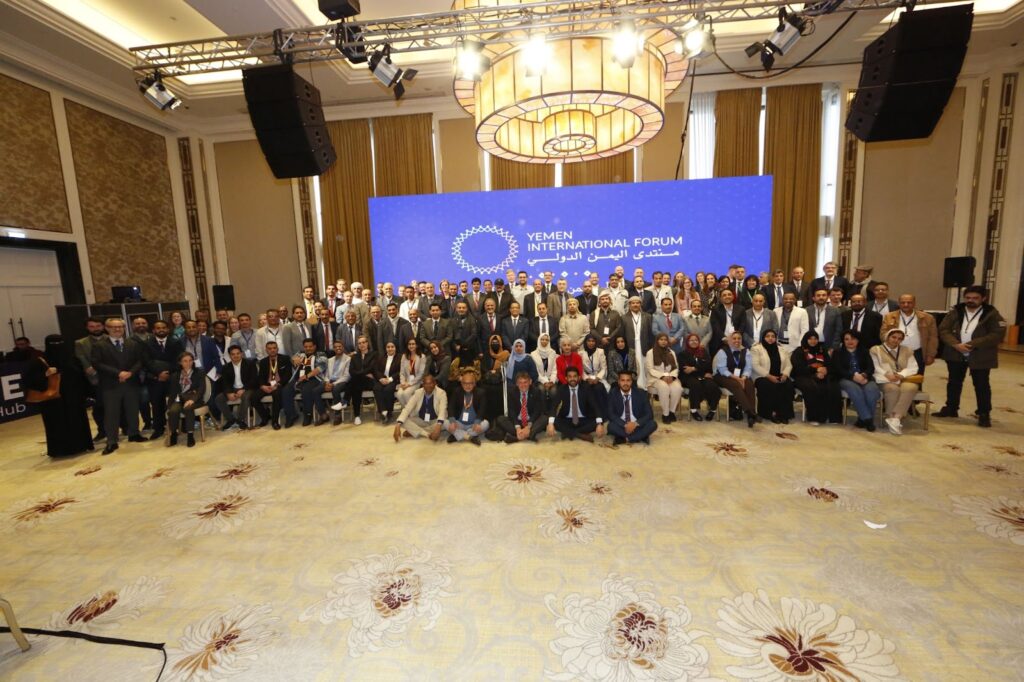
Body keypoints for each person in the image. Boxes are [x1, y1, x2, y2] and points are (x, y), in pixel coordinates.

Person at [936, 285, 1006, 428]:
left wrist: (973, 344)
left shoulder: (991, 313)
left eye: (975, 298)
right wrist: (956, 344)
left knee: (981, 385)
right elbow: (943, 329)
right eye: (968, 298)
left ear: (983, 298)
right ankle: (951, 408)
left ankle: (984, 413)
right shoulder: (956, 311)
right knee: (954, 382)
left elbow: (997, 334)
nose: (970, 300)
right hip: (956, 353)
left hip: (981, 354)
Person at [24, 335, 93, 456]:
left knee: (76, 421)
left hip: (74, 399)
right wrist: (45, 375)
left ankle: (81, 446)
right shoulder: (40, 362)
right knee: (56, 425)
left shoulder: (72, 359)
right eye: (53, 344)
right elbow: (29, 381)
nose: (57, 347)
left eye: (59, 343)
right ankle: (60, 450)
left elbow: (81, 377)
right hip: (53, 402)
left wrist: (87, 394)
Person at [91, 318, 147, 455]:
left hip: (131, 382)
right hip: (111, 385)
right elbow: (97, 364)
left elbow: (140, 361)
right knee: (111, 414)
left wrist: (130, 373)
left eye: (120, 327)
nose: (117, 329)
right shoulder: (99, 345)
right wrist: (118, 373)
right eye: (113, 327)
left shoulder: (133, 344)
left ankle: (134, 433)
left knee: (133, 410)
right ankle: (112, 441)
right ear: (107, 328)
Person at [870, 329, 921, 435]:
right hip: (885, 378)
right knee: (892, 389)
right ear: (887, 337)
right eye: (893, 337)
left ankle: (895, 418)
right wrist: (887, 374)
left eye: (899, 339)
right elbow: (875, 366)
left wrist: (901, 375)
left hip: (903, 378)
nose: (896, 340)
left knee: (911, 388)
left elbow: (913, 367)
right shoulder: (876, 349)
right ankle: (892, 417)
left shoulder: (907, 350)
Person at [830, 330, 880, 431]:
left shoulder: (864, 351)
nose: (850, 341)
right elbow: (838, 369)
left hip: (864, 378)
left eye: (853, 339)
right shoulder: (837, 352)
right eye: (846, 339)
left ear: (858, 340)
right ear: (843, 341)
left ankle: (862, 419)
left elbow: (871, 367)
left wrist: (864, 375)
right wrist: (853, 376)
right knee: (854, 388)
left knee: (872, 389)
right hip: (845, 379)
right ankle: (868, 419)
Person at [790, 331, 843, 425]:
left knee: (833, 385)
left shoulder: (822, 350)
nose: (813, 341)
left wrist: (825, 370)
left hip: (822, 375)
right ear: (806, 339)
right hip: (803, 376)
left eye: (815, 339)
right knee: (811, 387)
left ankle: (833, 417)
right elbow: (798, 368)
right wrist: (815, 371)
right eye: (810, 339)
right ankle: (814, 417)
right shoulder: (799, 351)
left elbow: (829, 364)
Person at [880, 294, 937, 378]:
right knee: (895, 378)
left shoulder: (927, 317)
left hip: (917, 353)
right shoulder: (889, 316)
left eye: (909, 302)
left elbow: (933, 337)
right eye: (903, 302)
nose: (906, 305)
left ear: (914, 303)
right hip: (895, 352)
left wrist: (930, 354)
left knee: (916, 378)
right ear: (899, 303)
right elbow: (883, 334)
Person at [547, 366, 605, 442]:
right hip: (567, 419)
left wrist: (599, 424)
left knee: (597, 422)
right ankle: (580, 435)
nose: (572, 379)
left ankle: (569, 433)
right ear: (566, 378)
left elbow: (595, 406)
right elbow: (554, 406)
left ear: (579, 377)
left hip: (583, 418)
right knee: (554, 422)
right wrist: (550, 423)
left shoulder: (586, 388)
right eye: (570, 377)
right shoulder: (561, 389)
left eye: (575, 376)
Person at [713, 331, 758, 427]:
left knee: (749, 384)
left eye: (739, 338)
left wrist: (744, 377)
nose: (737, 340)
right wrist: (737, 379)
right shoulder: (722, 351)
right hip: (723, 376)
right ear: (729, 340)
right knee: (736, 384)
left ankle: (751, 415)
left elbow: (748, 368)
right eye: (734, 338)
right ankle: (750, 412)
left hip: (741, 375)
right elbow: (722, 369)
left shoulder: (746, 351)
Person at [750, 329, 795, 424]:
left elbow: (789, 365)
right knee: (769, 386)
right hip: (762, 376)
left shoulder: (782, 349)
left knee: (788, 385)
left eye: (773, 336)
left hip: (780, 375)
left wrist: (785, 374)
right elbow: (755, 365)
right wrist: (769, 376)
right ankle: (771, 413)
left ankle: (784, 414)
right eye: (767, 336)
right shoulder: (756, 349)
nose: (770, 338)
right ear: (763, 337)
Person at [489, 371, 547, 443]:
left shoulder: (536, 391)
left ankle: (519, 436)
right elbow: (511, 411)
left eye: (525, 382)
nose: (523, 385)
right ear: (516, 383)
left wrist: (528, 426)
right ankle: (528, 435)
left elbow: (537, 411)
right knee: (500, 419)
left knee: (544, 418)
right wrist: (518, 427)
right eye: (520, 383)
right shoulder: (512, 392)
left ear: (530, 382)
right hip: (517, 421)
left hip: (531, 421)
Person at [282, 338, 327, 427]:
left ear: (314, 346)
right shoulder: (300, 353)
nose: (308, 348)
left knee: (306, 390)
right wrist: (294, 360)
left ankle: (308, 415)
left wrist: (307, 376)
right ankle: (291, 415)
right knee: (286, 390)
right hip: (298, 379)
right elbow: (292, 359)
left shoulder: (321, 354)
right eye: (306, 347)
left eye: (310, 346)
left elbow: (321, 368)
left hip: (314, 378)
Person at [678, 332, 720, 421]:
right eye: (691, 340)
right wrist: (700, 370)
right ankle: (694, 410)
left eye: (696, 340)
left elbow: (708, 365)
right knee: (695, 384)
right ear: (687, 342)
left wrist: (694, 368)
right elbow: (686, 370)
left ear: (699, 341)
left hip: (704, 375)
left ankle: (712, 410)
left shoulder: (704, 352)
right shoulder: (682, 354)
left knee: (712, 386)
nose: (694, 342)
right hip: (688, 377)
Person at [607, 370, 657, 445]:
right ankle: (641, 436)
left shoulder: (641, 393)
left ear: (632, 381)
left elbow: (649, 414)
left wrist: (635, 424)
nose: (625, 383)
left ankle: (626, 439)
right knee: (611, 426)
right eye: (623, 380)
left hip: (637, 424)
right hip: (622, 425)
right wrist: (625, 425)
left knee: (652, 424)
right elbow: (611, 414)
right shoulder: (613, 393)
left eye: (628, 380)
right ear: (618, 382)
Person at [214, 345, 258, 430]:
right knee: (219, 399)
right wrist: (229, 393)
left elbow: (254, 380)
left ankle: (240, 420)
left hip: (247, 388)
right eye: (233, 354)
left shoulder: (250, 364)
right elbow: (225, 383)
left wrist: (243, 389)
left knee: (246, 397)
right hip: (233, 389)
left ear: (242, 354)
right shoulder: (226, 367)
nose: (236, 356)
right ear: (230, 355)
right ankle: (231, 419)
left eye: (238, 353)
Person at [394, 373, 447, 442]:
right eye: (426, 384)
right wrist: (398, 425)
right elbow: (407, 409)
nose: (428, 386)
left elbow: (442, 410)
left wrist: (438, 425)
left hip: (435, 421)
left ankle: (416, 431)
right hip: (421, 420)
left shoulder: (441, 393)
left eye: (430, 383)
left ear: (435, 383)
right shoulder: (418, 392)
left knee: (446, 423)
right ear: (423, 384)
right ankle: (427, 434)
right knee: (403, 421)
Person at [166, 351, 204, 447]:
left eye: (190, 360)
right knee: (173, 411)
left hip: (195, 399)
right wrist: (170, 405)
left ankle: (190, 435)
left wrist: (192, 400)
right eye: (185, 361)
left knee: (188, 408)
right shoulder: (175, 375)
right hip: (179, 399)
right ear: (180, 362)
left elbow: (201, 389)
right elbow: (172, 392)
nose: (188, 363)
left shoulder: (199, 373)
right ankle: (173, 433)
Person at [645, 333, 682, 424]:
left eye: (665, 340)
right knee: (664, 387)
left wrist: (672, 377)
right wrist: (662, 376)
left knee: (678, 388)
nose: (663, 342)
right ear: (657, 341)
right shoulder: (650, 352)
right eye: (661, 339)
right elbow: (650, 369)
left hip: (670, 377)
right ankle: (665, 414)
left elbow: (676, 367)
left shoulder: (671, 352)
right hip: (656, 378)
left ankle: (671, 412)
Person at [254, 341, 292, 429]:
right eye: (270, 349)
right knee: (254, 397)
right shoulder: (263, 362)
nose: (272, 350)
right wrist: (262, 386)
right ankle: (265, 416)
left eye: (274, 348)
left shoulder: (285, 359)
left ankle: (275, 421)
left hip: (280, 384)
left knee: (277, 395)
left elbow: (288, 375)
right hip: (267, 385)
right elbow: (261, 377)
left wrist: (278, 384)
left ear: (277, 349)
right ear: (266, 350)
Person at [446, 368, 488, 445]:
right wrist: (452, 421)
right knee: (445, 422)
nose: (468, 386)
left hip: (473, 424)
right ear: (461, 384)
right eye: (465, 383)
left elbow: (482, 410)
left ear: (474, 383)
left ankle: (457, 435)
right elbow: (451, 407)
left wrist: (477, 422)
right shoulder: (456, 391)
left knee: (486, 424)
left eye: (470, 383)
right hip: (459, 424)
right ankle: (470, 436)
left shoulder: (481, 393)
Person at [345, 335, 377, 425]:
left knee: (354, 382)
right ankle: (357, 416)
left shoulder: (374, 354)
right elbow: (351, 371)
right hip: (358, 382)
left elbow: (372, 368)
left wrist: (359, 373)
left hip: (369, 382)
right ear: (358, 346)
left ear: (367, 343)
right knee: (356, 386)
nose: (362, 344)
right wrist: (365, 373)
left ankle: (346, 402)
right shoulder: (354, 357)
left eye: (363, 342)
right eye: (359, 343)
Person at [371, 340, 401, 423]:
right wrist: (381, 378)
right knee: (376, 388)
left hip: (394, 380)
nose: (390, 349)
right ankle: (383, 411)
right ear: (385, 348)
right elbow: (376, 369)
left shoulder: (400, 357)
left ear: (395, 348)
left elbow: (400, 371)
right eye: (388, 347)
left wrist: (390, 379)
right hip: (382, 379)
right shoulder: (381, 357)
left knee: (388, 390)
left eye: (392, 347)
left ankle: (389, 412)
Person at [709, 289, 745, 356]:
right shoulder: (716, 310)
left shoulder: (741, 309)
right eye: (724, 295)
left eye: (729, 294)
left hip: (737, 340)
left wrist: (736, 338)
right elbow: (715, 326)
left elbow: (742, 324)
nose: (727, 296)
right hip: (721, 340)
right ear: (721, 298)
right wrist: (724, 338)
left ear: (733, 297)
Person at [324, 340, 351, 424]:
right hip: (330, 381)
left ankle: (337, 415)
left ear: (343, 347)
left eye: (339, 346)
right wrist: (327, 382)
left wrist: (333, 384)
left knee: (335, 389)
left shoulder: (348, 359)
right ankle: (323, 414)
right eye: (335, 347)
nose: (337, 348)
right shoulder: (330, 360)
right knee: (316, 390)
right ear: (333, 348)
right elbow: (326, 375)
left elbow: (346, 376)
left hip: (341, 381)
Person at [397, 337, 427, 407]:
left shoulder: (422, 357)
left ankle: (411, 411)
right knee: (399, 394)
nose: (411, 346)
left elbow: (421, 374)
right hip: (406, 382)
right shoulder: (404, 356)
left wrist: (409, 384)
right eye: (409, 344)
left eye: (413, 344)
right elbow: (402, 372)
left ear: (416, 345)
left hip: (417, 382)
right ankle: (408, 410)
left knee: (406, 393)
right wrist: (403, 383)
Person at [531, 333, 559, 407]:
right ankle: (543, 410)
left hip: (551, 380)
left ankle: (553, 411)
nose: (544, 341)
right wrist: (545, 381)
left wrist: (552, 381)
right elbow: (535, 371)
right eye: (542, 339)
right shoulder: (533, 354)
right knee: (541, 390)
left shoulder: (553, 352)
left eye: (547, 340)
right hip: (539, 380)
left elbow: (555, 369)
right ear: (539, 341)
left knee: (554, 391)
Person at [580, 333, 609, 399]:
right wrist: (587, 378)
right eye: (589, 341)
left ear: (595, 342)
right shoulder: (581, 353)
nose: (591, 343)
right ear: (585, 342)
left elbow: (603, 368)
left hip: (598, 376)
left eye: (593, 341)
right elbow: (581, 370)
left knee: (606, 388)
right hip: (587, 377)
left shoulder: (600, 351)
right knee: (586, 390)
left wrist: (598, 378)